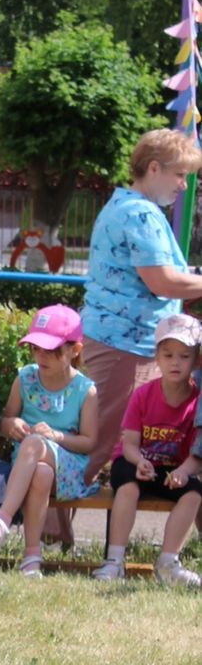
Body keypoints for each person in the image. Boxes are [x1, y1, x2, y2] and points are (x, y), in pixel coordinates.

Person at [81, 128, 202, 481]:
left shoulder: (127, 205)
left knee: (105, 439)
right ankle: (47, 529)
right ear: (153, 168)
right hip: (126, 344)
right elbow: (162, 281)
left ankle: (54, 529)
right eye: (179, 174)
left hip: (125, 341)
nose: (183, 185)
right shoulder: (141, 215)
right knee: (103, 441)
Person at [0, 305, 98, 576]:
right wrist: (12, 424)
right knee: (40, 471)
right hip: (30, 467)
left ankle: (2, 521)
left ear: (74, 350)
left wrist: (56, 436)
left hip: (70, 466)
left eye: (51, 350)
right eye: (35, 348)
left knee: (35, 444)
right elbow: (5, 422)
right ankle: (31, 559)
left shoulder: (85, 390)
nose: (41, 355)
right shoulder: (26, 377)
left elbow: (89, 443)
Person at [93, 313, 202, 585]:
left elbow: (197, 455)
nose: (175, 362)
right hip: (133, 462)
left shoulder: (199, 402)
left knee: (194, 494)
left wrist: (183, 472)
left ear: (196, 360)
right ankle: (114, 562)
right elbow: (129, 443)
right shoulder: (143, 394)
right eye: (168, 355)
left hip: (172, 469)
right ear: (157, 357)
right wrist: (140, 461)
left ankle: (167, 563)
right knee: (128, 487)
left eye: (184, 356)